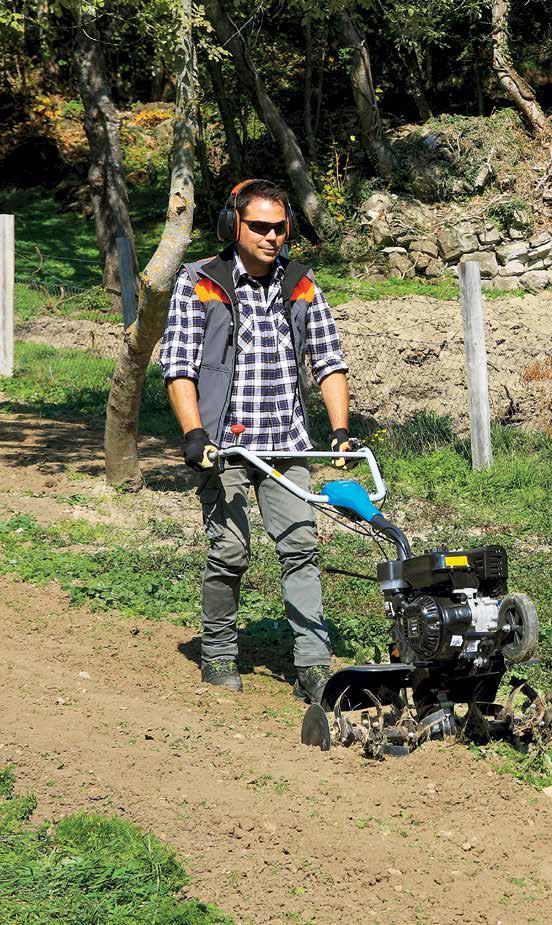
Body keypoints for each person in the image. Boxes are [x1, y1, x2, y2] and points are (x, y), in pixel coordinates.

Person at [159, 178, 357, 703]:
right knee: (230, 550)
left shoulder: (301, 283)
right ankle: (220, 650)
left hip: (285, 441)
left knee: (301, 546)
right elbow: (178, 366)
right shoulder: (200, 282)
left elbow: (329, 361)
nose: (271, 237)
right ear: (234, 226)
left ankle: (312, 663)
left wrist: (339, 430)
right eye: (260, 227)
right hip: (223, 445)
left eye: (279, 228)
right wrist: (194, 432)